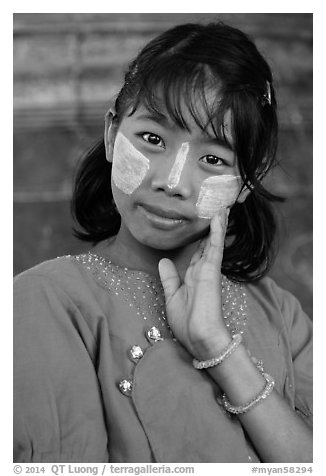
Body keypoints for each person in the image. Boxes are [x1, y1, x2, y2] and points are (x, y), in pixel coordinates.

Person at [13, 21, 312, 463]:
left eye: (213, 159)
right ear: (113, 135)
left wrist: (218, 349)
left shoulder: (283, 314)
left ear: (248, 180)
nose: (172, 183)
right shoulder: (45, 302)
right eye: (152, 139)